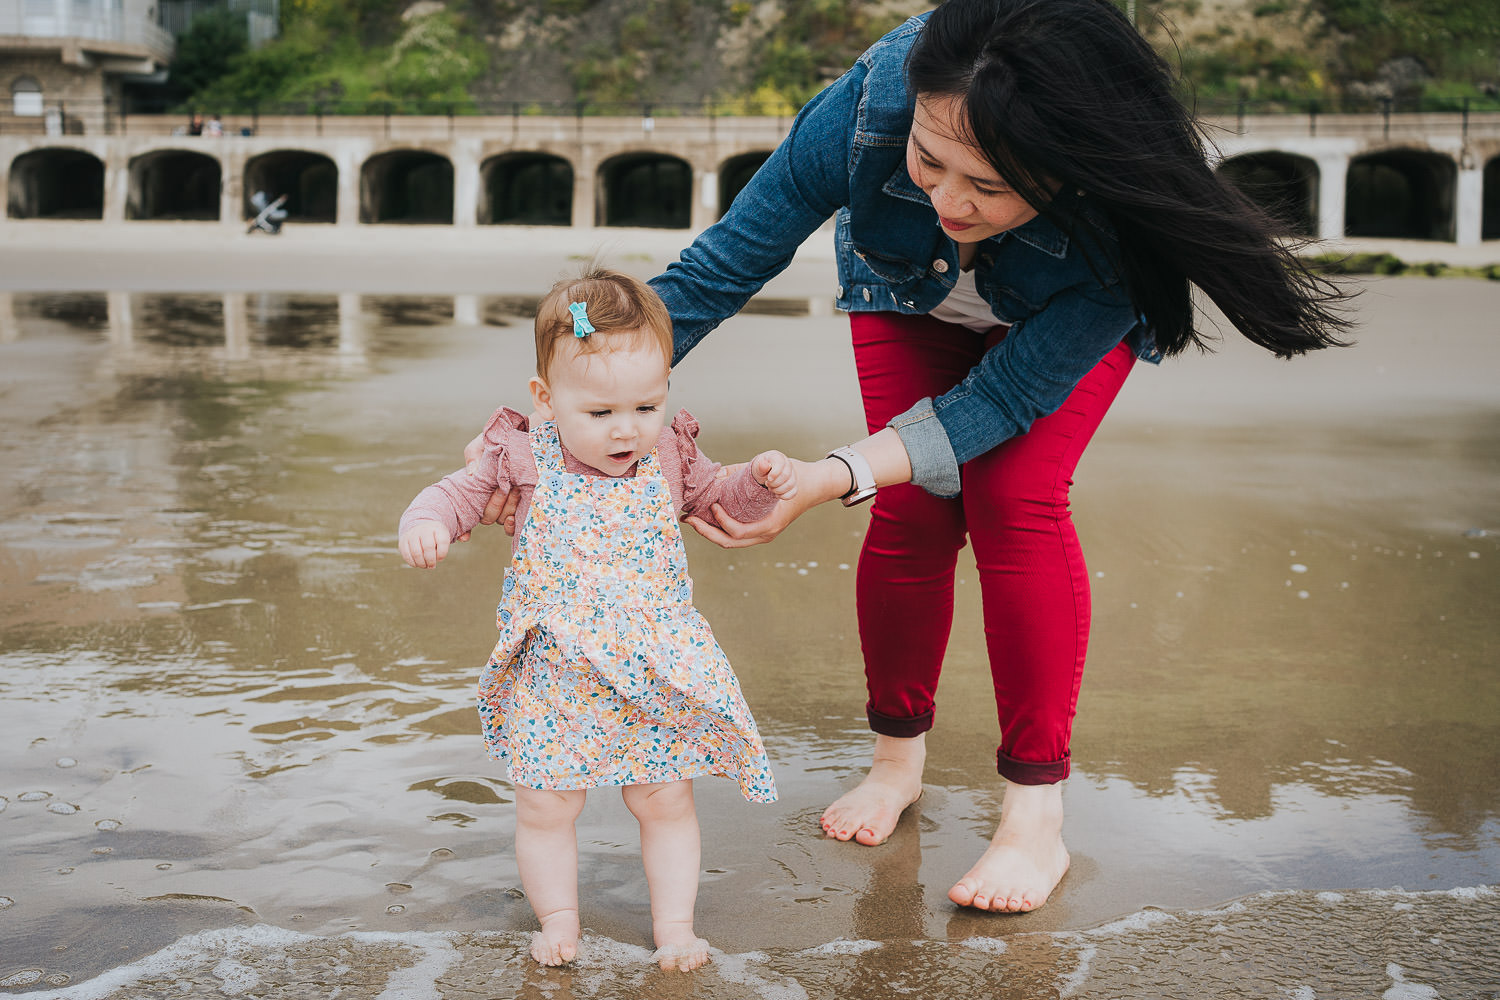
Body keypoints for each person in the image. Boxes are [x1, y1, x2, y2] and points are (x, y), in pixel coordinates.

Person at [478, 0, 1353, 916]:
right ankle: (896, 761)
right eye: (928, 163)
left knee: (1014, 498)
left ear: (1072, 173)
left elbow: (1004, 401)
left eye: (989, 185)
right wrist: (534, 434)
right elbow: (716, 272)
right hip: (908, 296)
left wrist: (832, 475)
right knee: (913, 508)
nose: (946, 201)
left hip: (1049, 323)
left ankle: (1034, 814)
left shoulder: (1120, 225)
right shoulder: (872, 104)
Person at [399, 268, 795, 969]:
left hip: (651, 667)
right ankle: (557, 919)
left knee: (664, 798)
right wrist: (425, 522)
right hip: (558, 670)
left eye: (646, 405)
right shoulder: (521, 454)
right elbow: (454, 495)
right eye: (602, 412)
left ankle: (675, 925)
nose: (626, 429)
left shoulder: (669, 454)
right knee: (547, 806)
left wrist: (759, 484)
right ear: (545, 401)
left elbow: (719, 499)